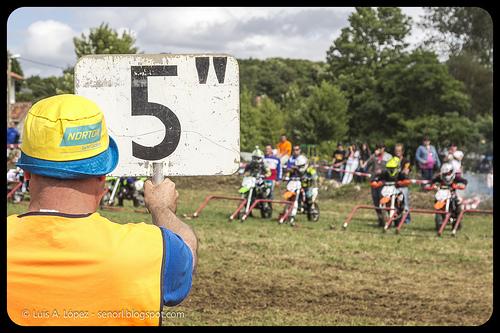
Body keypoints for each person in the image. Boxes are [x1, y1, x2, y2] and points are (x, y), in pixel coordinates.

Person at [7, 94, 198, 326]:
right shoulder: (152, 249)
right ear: (102, 174)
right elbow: (186, 249)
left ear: (26, 173)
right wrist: (161, 208)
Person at [370, 156, 411, 225]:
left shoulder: (400, 174)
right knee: (379, 200)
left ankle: (401, 211)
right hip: (387, 190)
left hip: (396, 190)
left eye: (392, 169)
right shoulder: (384, 173)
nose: (391, 170)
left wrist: (401, 183)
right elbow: (376, 178)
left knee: (401, 198)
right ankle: (382, 217)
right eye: (389, 169)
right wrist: (376, 182)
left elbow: (407, 180)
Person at [364, 143, 393, 226]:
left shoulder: (388, 157)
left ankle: (388, 219)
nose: (379, 149)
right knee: (375, 200)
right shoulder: (374, 156)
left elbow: (391, 168)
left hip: (383, 181)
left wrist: (383, 171)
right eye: (377, 148)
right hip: (374, 181)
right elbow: (367, 164)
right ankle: (380, 219)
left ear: (384, 148)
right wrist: (373, 156)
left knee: (383, 200)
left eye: (381, 148)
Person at [393, 144, 412, 223]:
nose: (398, 152)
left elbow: (406, 171)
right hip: (394, 185)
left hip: (403, 185)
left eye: (399, 151)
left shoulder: (406, 161)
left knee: (405, 203)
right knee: (395, 203)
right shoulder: (392, 160)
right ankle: (397, 218)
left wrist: (399, 172)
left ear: (402, 152)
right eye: (396, 151)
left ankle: (407, 219)